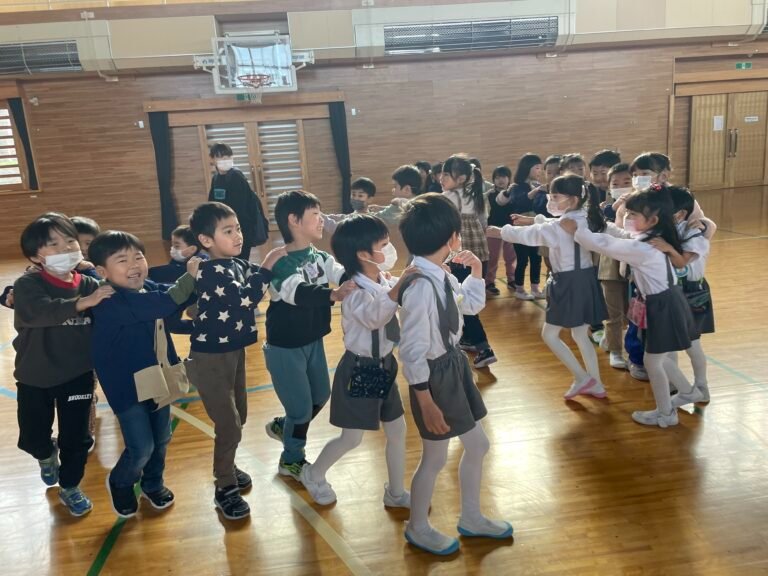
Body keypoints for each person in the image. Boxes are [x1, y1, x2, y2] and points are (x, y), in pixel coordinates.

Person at [397, 193, 512, 555]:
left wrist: (476, 270)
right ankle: (417, 526)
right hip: (433, 377)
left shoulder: (440, 275)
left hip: (452, 365)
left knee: (478, 444)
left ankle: (472, 517)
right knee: (434, 458)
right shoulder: (420, 287)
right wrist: (425, 400)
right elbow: (411, 352)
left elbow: (471, 306)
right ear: (451, 238)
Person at [298, 214, 412, 509]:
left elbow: (398, 293)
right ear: (363, 254)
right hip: (361, 369)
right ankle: (313, 473)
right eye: (384, 245)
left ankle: (396, 492)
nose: (390, 250)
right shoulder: (353, 290)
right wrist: (398, 291)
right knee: (352, 438)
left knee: (398, 430)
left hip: (385, 364)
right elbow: (375, 317)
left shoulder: (383, 279)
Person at [562, 187, 699, 428]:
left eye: (633, 215)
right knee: (661, 357)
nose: (627, 218)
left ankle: (666, 414)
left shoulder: (644, 247)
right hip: (665, 301)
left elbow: (607, 245)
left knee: (653, 361)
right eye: (628, 213)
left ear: (653, 220)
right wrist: (597, 223)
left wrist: (579, 231)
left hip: (663, 305)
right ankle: (687, 392)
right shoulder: (650, 237)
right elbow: (617, 236)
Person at [89, 231, 199, 518]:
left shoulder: (146, 287)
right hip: (126, 386)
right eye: (122, 260)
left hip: (156, 377)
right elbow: (165, 303)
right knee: (141, 447)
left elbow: (169, 301)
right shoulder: (108, 300)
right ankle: (121, 481)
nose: (134, 264)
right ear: (103, 272)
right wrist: (190, 278)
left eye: (138, 256)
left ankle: (153, 483)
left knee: (161, 438)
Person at [188, 201, 285, 520]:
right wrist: (270, 262)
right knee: (228, 424)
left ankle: (227, 465)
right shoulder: (212, 269)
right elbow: (245, 299)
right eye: (228, 231)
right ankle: (224, 487)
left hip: (235, 351)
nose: (237, 235)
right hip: (210, 357)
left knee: (238, 416)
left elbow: (251, 281)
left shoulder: (233, 264)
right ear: (206, 240)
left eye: (238, 228)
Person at [13, 212, 114, 516]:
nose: (66, 248)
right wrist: (83, 303)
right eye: (53, 244)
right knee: (32, 437)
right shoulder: (28, 284)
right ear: (36, 255)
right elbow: (39, 312)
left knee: (77, 438)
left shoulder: (88, 283)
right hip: (35, 376)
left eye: (70, 240)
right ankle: (45, 455)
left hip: (77, 375)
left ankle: (70, 486)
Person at [263, 191, 356, 482]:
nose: (321, 219)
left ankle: (286, 427)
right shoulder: (281, 260)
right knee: (301, 408)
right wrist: (333, 294)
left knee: (321, 395)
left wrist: (360, 276)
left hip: (312, 339)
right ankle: (291, 460)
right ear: (294, 220)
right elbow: (296, 293)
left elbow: (340, 272)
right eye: (315, 214)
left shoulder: (319, 256)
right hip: (285, 346)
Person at [488, 174, 608, 399]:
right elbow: (551, 225)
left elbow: (535, 235)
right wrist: (534, 219)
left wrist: (500, 231)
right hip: (585, 279)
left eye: (555, 196)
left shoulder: (563, 224)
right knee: (581, 334)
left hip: (569, 282)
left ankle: (583, 378)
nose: (550, 200)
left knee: (550, 335)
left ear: (572, 200)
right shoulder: (581, 215)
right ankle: (597, 384)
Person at [649, 186, 714, 405]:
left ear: (679, 214)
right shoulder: (664, 229)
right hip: (672, 292)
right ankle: (676, 385)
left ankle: (701, 386)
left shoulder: (693, 231)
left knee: (692, 345)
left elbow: (683, 261)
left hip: (692, 292)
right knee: (667, 345)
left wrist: (667, 247)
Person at [440, 154, 497, 369]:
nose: (441, 177)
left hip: (460, 255)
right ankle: (471, 340)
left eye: (447, 174)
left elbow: (429, 206)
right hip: (475, 256)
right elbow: (483, 222)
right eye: (442, 173)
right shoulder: (475, 195)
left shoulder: (451, 197)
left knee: (461, 300)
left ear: (462, 178)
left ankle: (484, 347)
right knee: (466, 296)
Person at [597, 163, 633, 370]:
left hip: (632, 265)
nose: (621, 186)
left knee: (630, 313)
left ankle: (613, 340)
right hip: (611, 265)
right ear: (609, 187)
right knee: (614, 312)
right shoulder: (605, 208)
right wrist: (616, 209)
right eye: (616, 183)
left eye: (627, 182)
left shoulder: (641, 207)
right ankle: (616, 352)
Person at [208, 142, 269, 259]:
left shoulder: (236, 176)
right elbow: (213, 203)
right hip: (225, 227)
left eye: (227, 157)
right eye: (220, 157)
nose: (224, 160)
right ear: (213, 159)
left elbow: (241, 206)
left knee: (241, 259)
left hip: (241, 227)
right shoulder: (216, 178)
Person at [497, 153, 544, 300]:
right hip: (520, 227)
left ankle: (536, 288)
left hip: (534, 226)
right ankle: (520, 289)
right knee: (523, 259)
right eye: (537, 168)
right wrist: (535, 192)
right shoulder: (516, 187)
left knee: (536, 258)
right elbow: (520, 202)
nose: (539, 171)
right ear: (527, 168)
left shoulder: (537, 185)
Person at [484, 165, 516, 294]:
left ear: (509, 179)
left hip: (510, 229)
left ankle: (512, 280)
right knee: (492, 257)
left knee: (511, 257)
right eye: (497, 177)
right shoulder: (489, 195)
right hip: (493, 230)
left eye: (503, 177)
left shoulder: (513, 193)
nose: (500, 180)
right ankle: (489, 282)